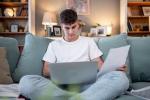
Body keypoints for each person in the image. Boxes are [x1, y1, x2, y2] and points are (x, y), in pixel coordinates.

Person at [19, 9, 129, 100]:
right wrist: (66, 69)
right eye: (67, 28)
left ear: (78, 24)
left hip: (88, 86)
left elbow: (100, 64)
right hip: (60, 87)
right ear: (61, 26)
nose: (71, 32)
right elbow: (46, 71)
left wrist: (115, 69)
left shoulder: (88, 42)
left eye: (73, 27)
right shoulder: (54, 45)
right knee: (25, 82)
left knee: (121, 79)